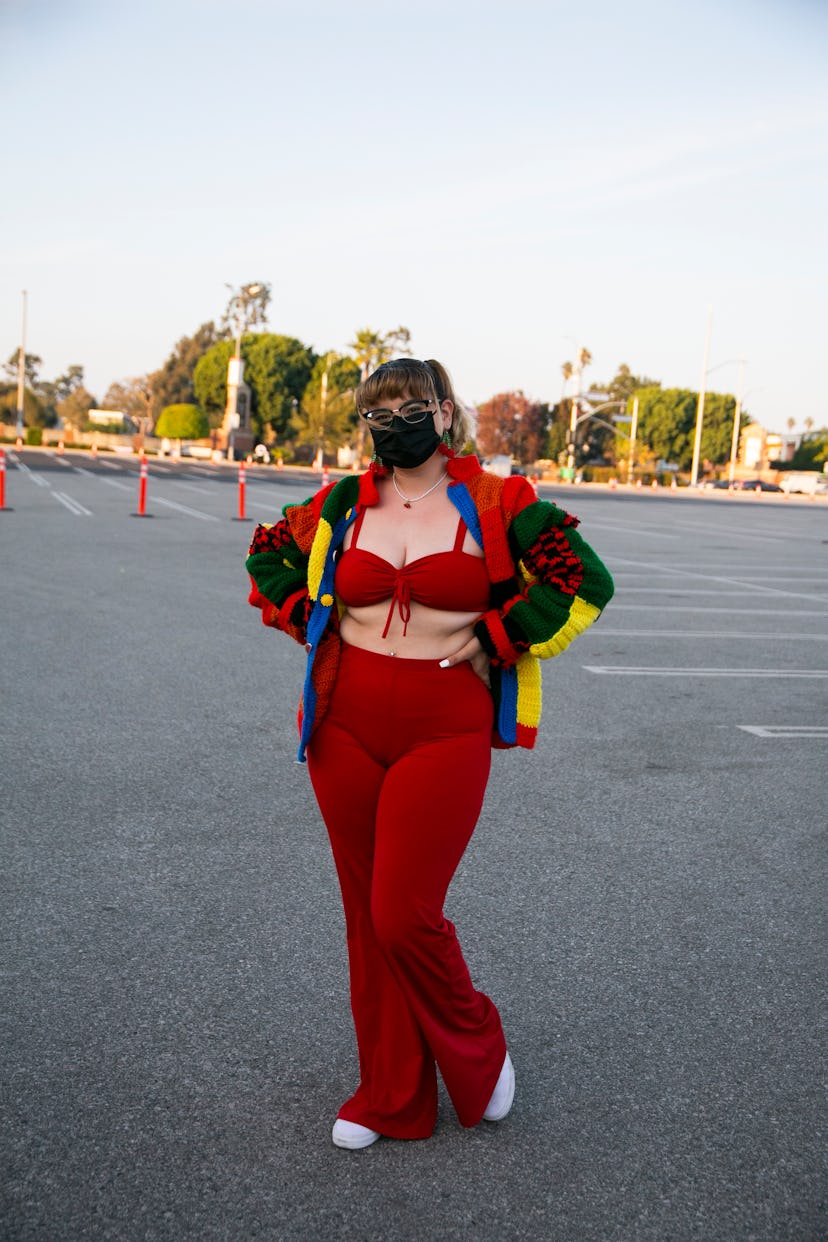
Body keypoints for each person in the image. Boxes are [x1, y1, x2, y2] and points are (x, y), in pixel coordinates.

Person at [245, 357, 614, 1149]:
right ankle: (392, 1096)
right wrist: (309, 615)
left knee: (401, 912)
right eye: (378, 412)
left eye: (412, 406)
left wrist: (501, 635)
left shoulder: (497, 502)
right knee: (363, 917)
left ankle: (477, 1038)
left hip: (444, 726)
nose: (395, 423)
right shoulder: (343, 502)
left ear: (446, 414)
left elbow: (583, 578)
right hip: (341, 723)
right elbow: (267, 555)